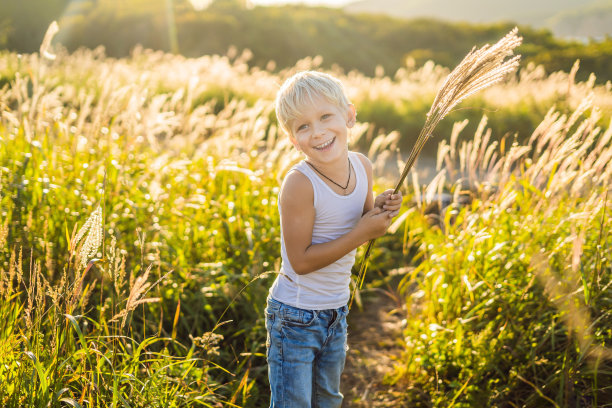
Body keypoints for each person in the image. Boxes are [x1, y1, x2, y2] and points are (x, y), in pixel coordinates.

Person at [265, 70, 403, 408]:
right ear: (292, 140)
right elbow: (301, 261)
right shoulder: (300, 184)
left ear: (350, 116)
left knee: (328, 399)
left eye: (326, 116)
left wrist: (381, 209)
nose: (319, 132)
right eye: (303, 126)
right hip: (295, 316)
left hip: (335, 310)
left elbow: (360, 222)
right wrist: (362, 231)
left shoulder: (362, 166)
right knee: (293, 403)